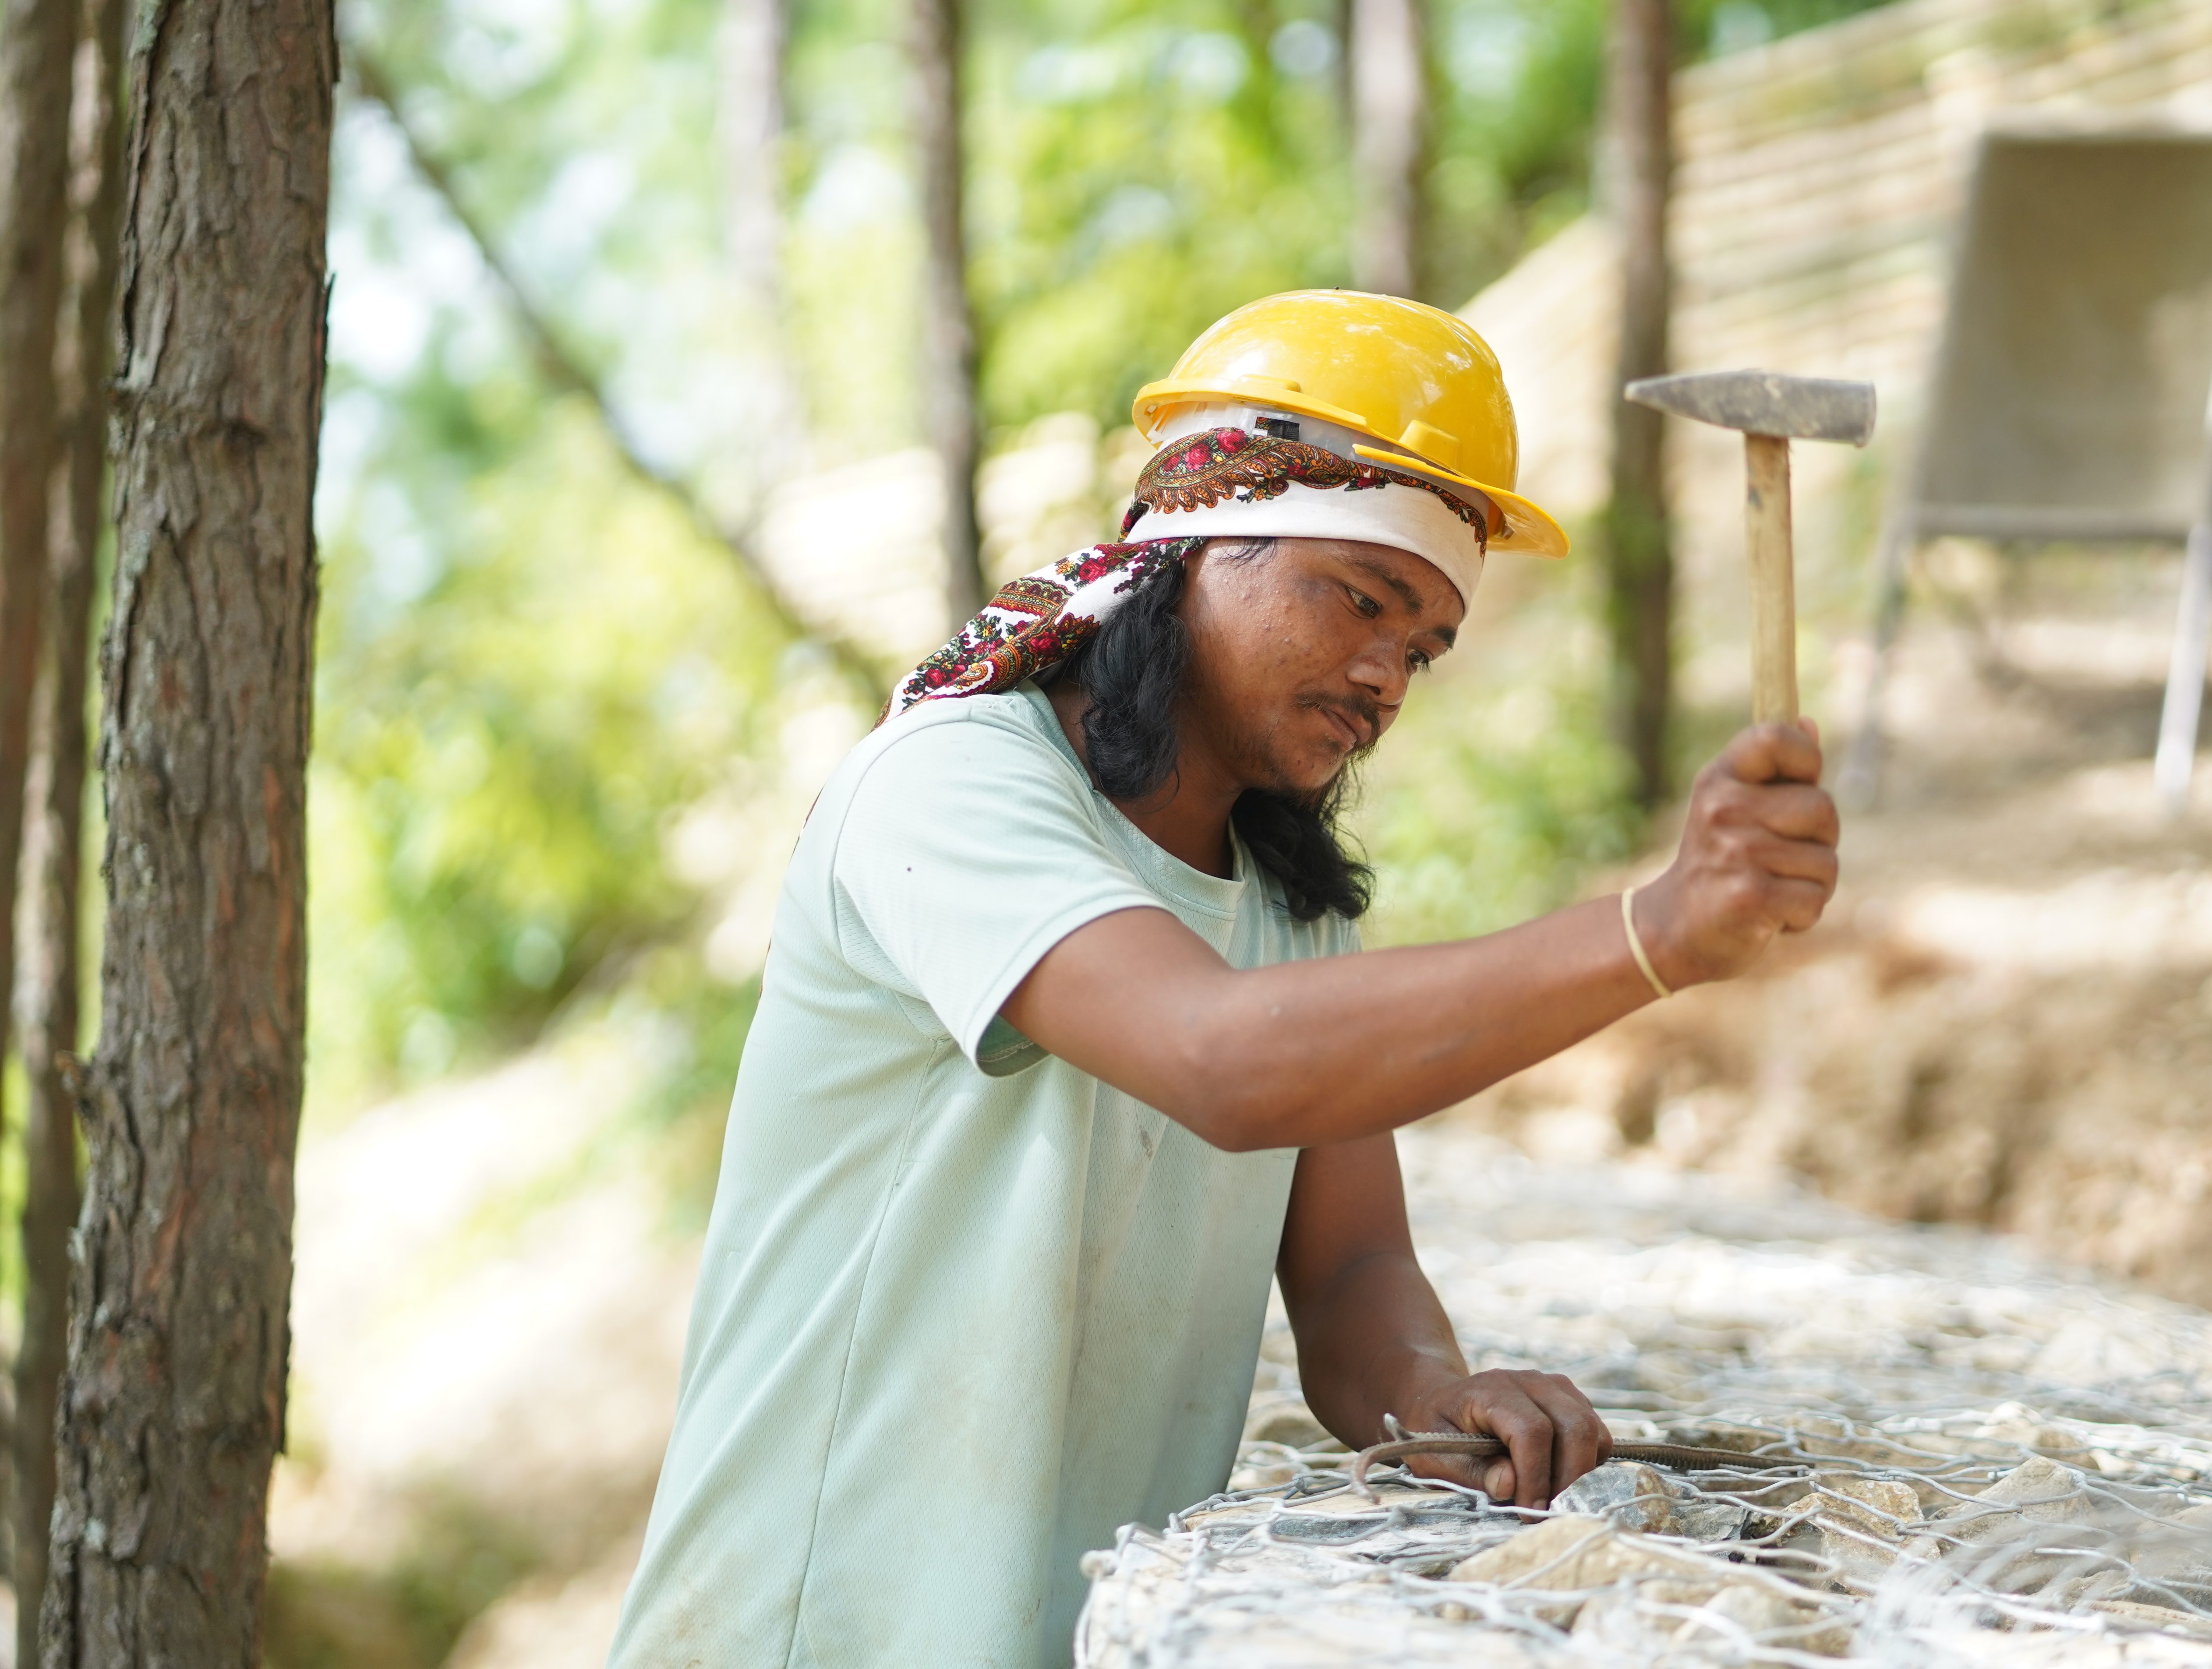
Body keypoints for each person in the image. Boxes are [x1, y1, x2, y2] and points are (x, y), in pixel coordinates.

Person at [605, 291, 1840, 1668]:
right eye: (1359, 597)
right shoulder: (950, 786)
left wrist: (1432, 1402)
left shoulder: (1288, 905)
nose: (1386, 674)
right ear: (1195, 547)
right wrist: (1653, 933)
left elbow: (1355, 1261)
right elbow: (1225, 1062)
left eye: (1424, 645)